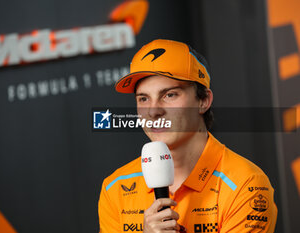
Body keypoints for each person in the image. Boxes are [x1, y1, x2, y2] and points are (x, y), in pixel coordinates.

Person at [98, 39, 277, 233]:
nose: (153, 111)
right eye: (143, 98)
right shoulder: (115, 186)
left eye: (170, 95)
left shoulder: (247, 185)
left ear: (203, 101)